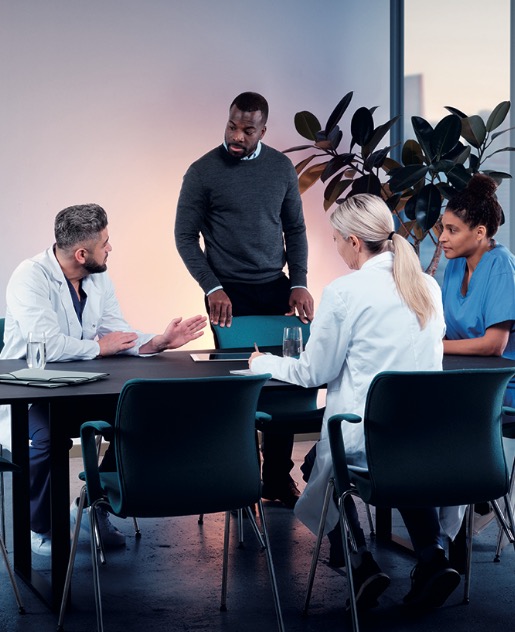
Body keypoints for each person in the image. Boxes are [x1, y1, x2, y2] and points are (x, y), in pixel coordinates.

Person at [249, 194, 461, 610]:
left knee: (316, 466)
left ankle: (360, 564)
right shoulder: (427, 286)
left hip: (368, 438)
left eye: (335, 240)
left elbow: (314, 372)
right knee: (404, 466)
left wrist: (264, 362)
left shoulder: (345, 291)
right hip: (424, 439)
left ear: (353, 241)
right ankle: (434, 558)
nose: (336, 248)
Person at [0, 203, 207, 556]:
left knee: (143, 419)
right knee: (47, 440)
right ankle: (42, 528)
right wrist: (98, 348)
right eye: (105, 243)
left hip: (88, 386)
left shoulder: (98, 276)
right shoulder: (30, 276)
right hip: (32, 389)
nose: (110, 248)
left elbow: (115, 332)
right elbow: (46, 343)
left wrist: (156, 342)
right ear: (82, 253)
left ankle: (97, 504)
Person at [174, 91, 314, 508]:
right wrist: (212, 287)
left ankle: (275, 478)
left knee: (283, 380)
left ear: (263, 130)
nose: (237, 135)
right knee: (238, 387)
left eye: (247, 129)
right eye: (232, 126)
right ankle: (238, 479)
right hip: (226, 294)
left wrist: (300, 282)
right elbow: (185, 236)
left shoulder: (281, 167)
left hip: (275, 287)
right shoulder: (202, 172)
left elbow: (297, 230)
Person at [440, 173, 515, 405]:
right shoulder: (455, 264)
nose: (442, 238)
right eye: (443, 228)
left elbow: (494, 344)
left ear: (480, 232)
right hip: (464, 375)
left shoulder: (501, 266)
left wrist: (435, 347)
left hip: (500, 385)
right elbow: (442, 328)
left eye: (452, 230)